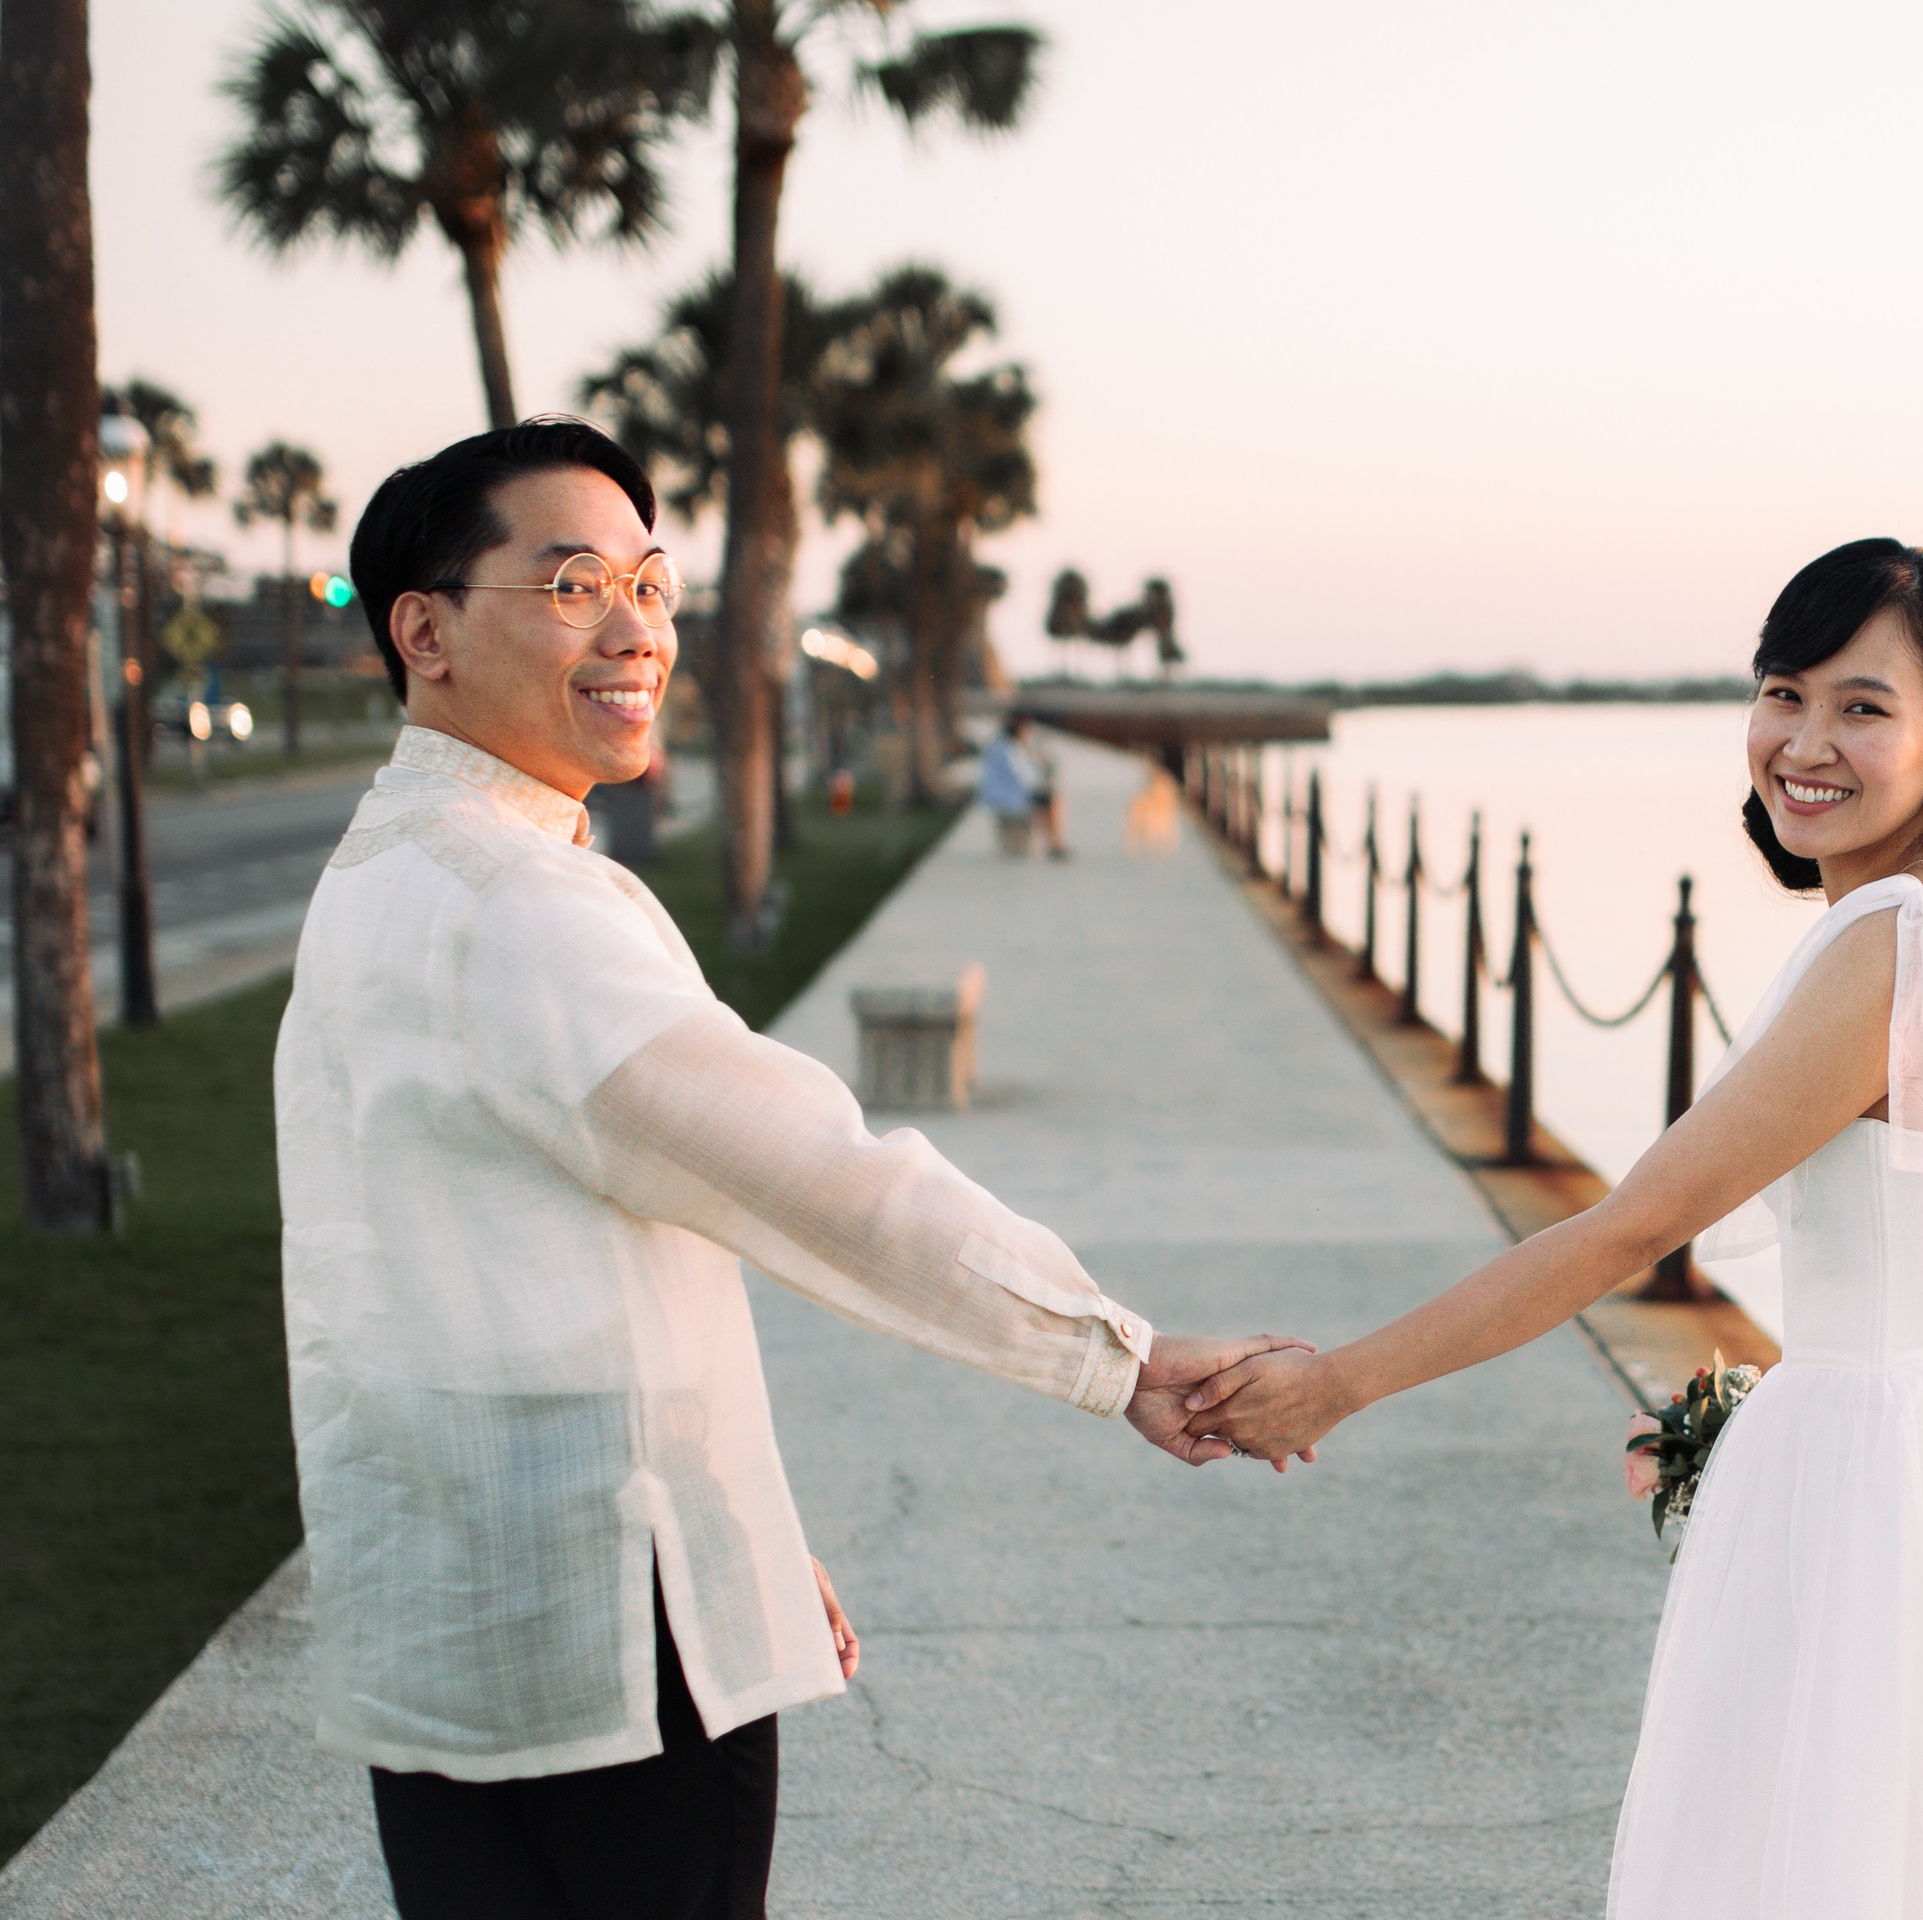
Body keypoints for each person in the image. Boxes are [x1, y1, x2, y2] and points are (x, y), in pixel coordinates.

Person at [293, 419, 1306, 1920]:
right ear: (424, 632)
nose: (635, 626)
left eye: (650, 582)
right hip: (607, 1654)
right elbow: (825, 1183)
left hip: (451, 1620)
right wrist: (1119, 1354)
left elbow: (497, 1284)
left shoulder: (379, 876)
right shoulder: (520, 908)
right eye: (573, 582)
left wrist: (742, 1545)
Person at [1184, 538, 1923, 1918]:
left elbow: (1625, 1233)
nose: (1804, 742)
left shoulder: (1898, 940)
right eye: (1783, 693)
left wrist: (1340, 1382)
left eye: (1861, 706)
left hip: (1886, 1480)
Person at [978, 711, 1067, 858]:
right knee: (1052, 800)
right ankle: (1055, 844)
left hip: (1006, 794)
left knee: (1048, 799)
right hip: (1009, 796)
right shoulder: (1007, 748)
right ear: (1020, 728)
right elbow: (1024, 777)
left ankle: (1054, 843)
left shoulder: (1001, 745)